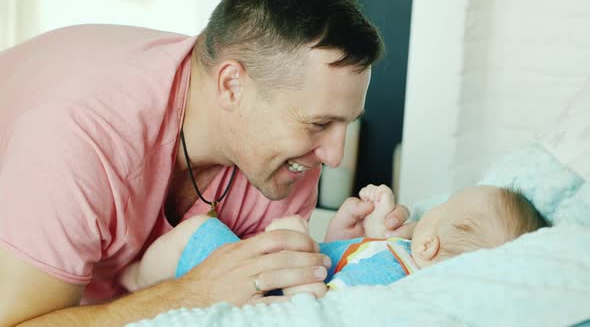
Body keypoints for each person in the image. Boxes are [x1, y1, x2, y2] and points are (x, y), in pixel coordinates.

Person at [0, 0, 419, 325]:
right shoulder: (81, 136)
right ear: (232, 85)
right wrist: (191, 293)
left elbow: (268, 305)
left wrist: (344, 253)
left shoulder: (285, 161)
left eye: (344, 124)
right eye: (319, 123)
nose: (334, 154)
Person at [120, 184, 547, 296]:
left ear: (429, 246)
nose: (422, 212)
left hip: (266, 285)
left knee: (201, 231)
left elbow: (319, 305)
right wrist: (350, 232)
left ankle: (135, 279)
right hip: (277, 271)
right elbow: (347, 261)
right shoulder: (399, 260)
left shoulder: (390, 274)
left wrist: (289, 240)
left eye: (443, 206)